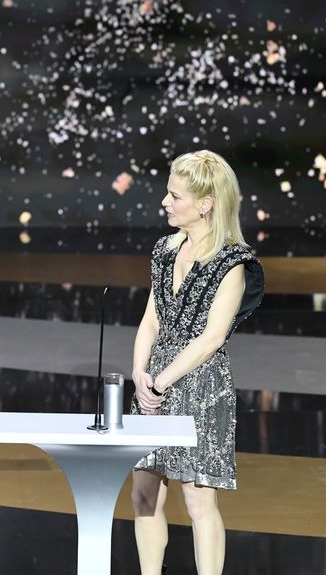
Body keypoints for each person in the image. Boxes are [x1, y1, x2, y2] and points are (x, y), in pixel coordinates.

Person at [129, 150, 264, 575]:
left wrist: (161, 382)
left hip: (201, 384)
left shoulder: (232, 262)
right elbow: (152, 317)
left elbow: (212, 337)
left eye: (174, 195)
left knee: (198, 499)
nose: (164, 203)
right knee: (144, 495)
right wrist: (139, 373)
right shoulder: (165, 249)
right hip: (154, 382)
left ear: (205, 203)